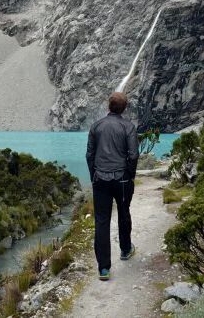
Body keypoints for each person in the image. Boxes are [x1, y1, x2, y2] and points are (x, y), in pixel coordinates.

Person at [86, 92, 139, 281]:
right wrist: (130, 175)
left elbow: (90, 155)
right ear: (124, 108)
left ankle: (104, 268)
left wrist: (94, 175)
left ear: (109, 106)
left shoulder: (96, 126)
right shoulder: (129, 127)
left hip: (100, 178)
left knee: (101, 221)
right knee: (124, 213)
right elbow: (133, 155)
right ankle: (125, 249)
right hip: (122, 179)